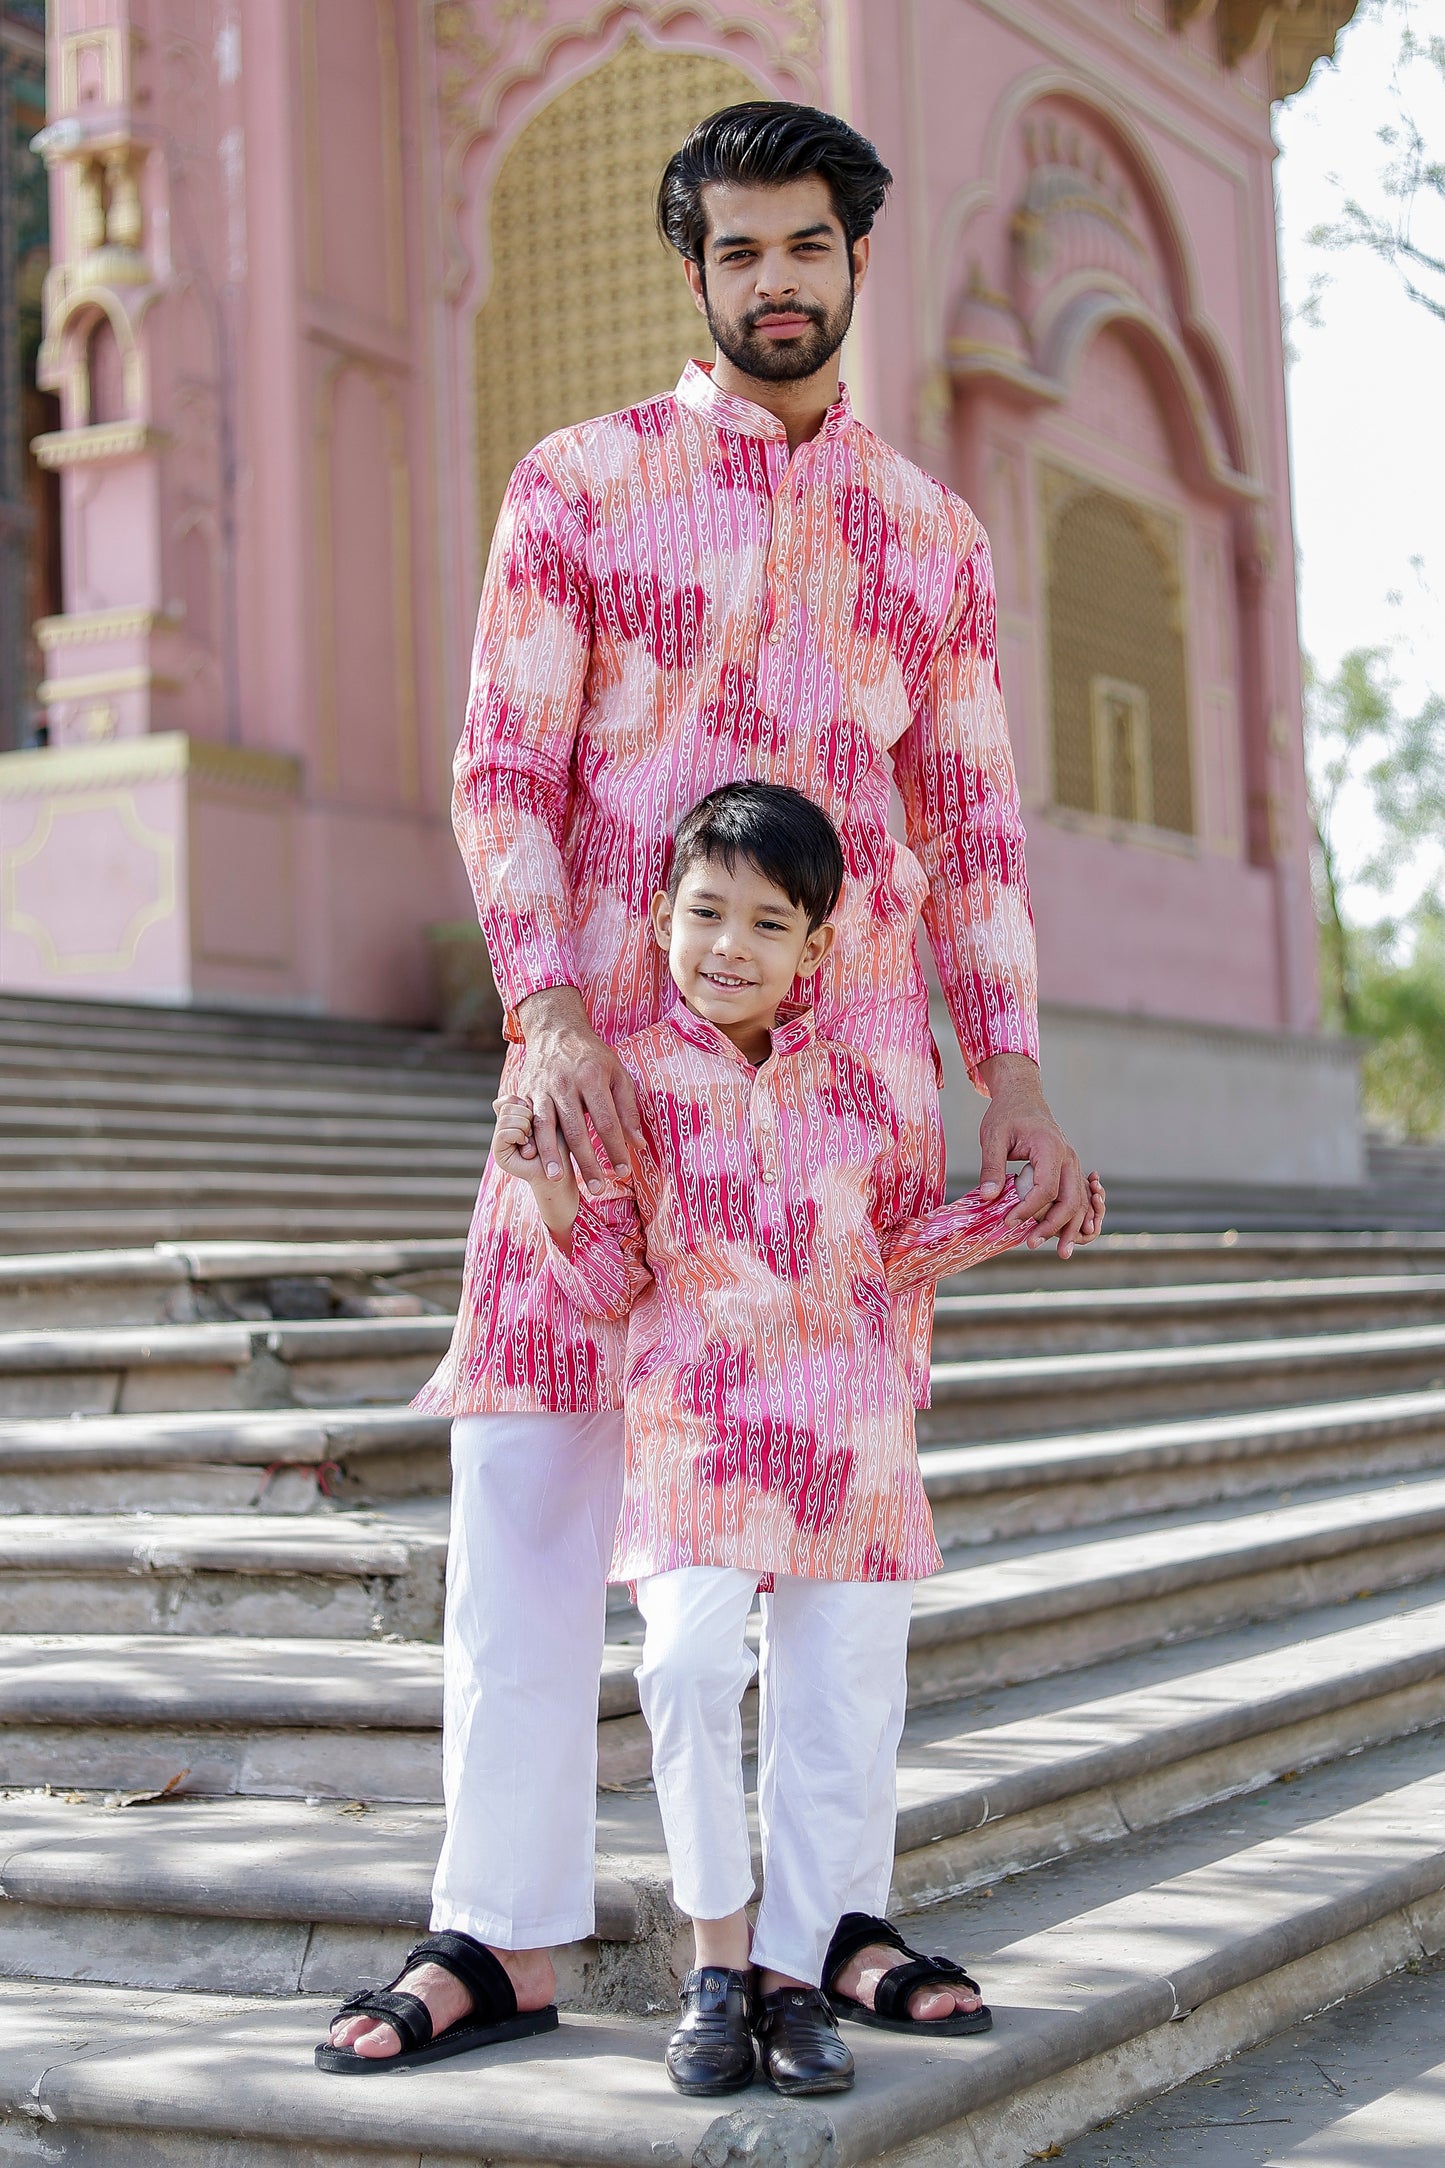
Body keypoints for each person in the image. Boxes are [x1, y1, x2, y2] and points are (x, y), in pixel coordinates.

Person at [321, 99, 1098, 2075]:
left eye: (807, 247)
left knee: (840, 1554)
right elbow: (507, 767)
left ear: (855, 261)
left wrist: (1009, 1067)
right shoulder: (579, 487)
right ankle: (497, 1933)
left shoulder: (930, 533)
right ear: (699, 269)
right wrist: (550, 1017)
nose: (775, 281)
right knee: (525, 1489)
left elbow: (977, 822)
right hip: (600, 1082)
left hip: (843, 1106)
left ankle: (834, 1918)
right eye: (740, 250)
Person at [489, 783, 1105, 2097]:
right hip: (697, 1426)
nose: (729, 944)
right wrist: (546, 1184)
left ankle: (792, 1971)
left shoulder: (867, 1086)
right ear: (659, 918)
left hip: (847, 1426)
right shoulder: (629, 1084)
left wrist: (1015, 1214)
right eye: (704, 912)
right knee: (691, 1669)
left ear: (816, 947)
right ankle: (715, 1965)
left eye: (767, 924)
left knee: (844, 1702)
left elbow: (886, 1255)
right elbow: (607, 1282)